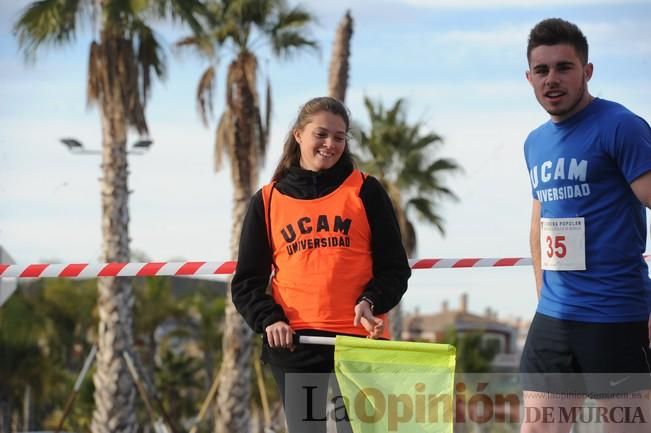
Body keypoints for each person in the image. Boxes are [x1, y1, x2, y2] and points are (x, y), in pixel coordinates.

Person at [231, 96, 411, 433]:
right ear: (298, 134)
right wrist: (269, 320)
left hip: (359, 341)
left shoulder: (365, 191)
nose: (331, 145)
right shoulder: (268, 200)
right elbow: (246, 282)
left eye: (340, 137)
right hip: (295, 344)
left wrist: (371, 300)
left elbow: (395, 269)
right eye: (321, 134)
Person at [520, 18, 651, 433]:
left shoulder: (621, 126)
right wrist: (545, 297)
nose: (552, 79)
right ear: (529, 77)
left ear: (587, 71)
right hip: (554, 320)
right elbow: (541, 223)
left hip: (616, 316)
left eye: (564, 67)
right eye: (542, 70)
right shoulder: (534, 142)